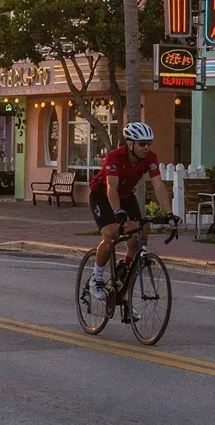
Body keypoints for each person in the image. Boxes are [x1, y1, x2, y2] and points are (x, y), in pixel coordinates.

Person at [87, 121, 175, 301]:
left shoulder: (150, 158)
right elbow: (111, 187)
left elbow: (158, 184)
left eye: (149, 143)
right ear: (130, 144)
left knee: (142, 231)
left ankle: (124, 270)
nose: (146, 148)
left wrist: (169, 213)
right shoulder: (115, 157)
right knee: (111, 234)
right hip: (103, 195)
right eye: (142, 144)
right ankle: (96, 278)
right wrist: (118, 210)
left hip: (126, 195)